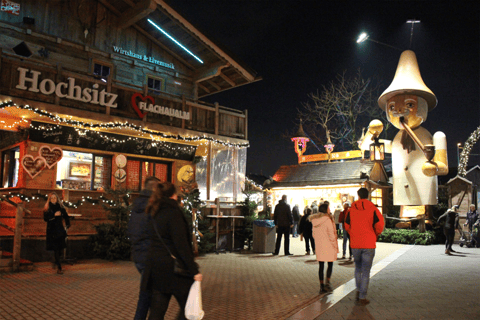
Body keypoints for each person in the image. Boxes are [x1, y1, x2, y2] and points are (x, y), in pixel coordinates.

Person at [142, 182, 202, 319]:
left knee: (157, 310)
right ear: (174, 196)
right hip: (174, 269)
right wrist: (194, 270)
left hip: (156, 267)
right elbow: (181, 245)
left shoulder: (153, 211)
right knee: (189, 306)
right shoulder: (174, 213)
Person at [344, 188, 385, 306]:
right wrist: (374, 234)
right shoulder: (373, 209)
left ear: (358, 195)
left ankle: (358, 289)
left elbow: (346, 225)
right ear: (367, 195)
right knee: (366, 271)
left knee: (358, 268)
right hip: (369, 243)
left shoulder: (351, 209)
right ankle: (362, 296)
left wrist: (352, 233)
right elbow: (379, 225)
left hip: (355, 243)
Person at [128, 176, 159, 320]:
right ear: (154, 188)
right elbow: (156, 231)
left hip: (138, 254)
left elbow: (133, 230)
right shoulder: (152, 205)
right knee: (148, 296)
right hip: (149, 255)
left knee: (149, 294)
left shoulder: (137, 204)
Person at [310, 203, 338, 294]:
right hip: (329, 245)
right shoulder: (328, 220)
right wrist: (335, 245)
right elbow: (331, 235)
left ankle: (321, 286)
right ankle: (328, 282)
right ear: (326, 210)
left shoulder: (315, 220)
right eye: (328, 208)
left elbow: (313, 234)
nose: (329, 209)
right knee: (330, 264)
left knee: (321, 266)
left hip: (320, 245)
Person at [43, 192, 70, 275]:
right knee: (56, 249)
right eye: (52, 198)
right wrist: (54, 215)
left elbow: (66, 216)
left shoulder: (60, 207)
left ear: (57, 199)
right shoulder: (48, 208)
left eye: (55, 198)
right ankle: (59, 267)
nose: (53, 199)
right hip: (52, 231)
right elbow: (45, 218)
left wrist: (67, 224)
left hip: (60, 230)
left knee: (61, 248)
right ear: (50, 199)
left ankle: (57, 261)